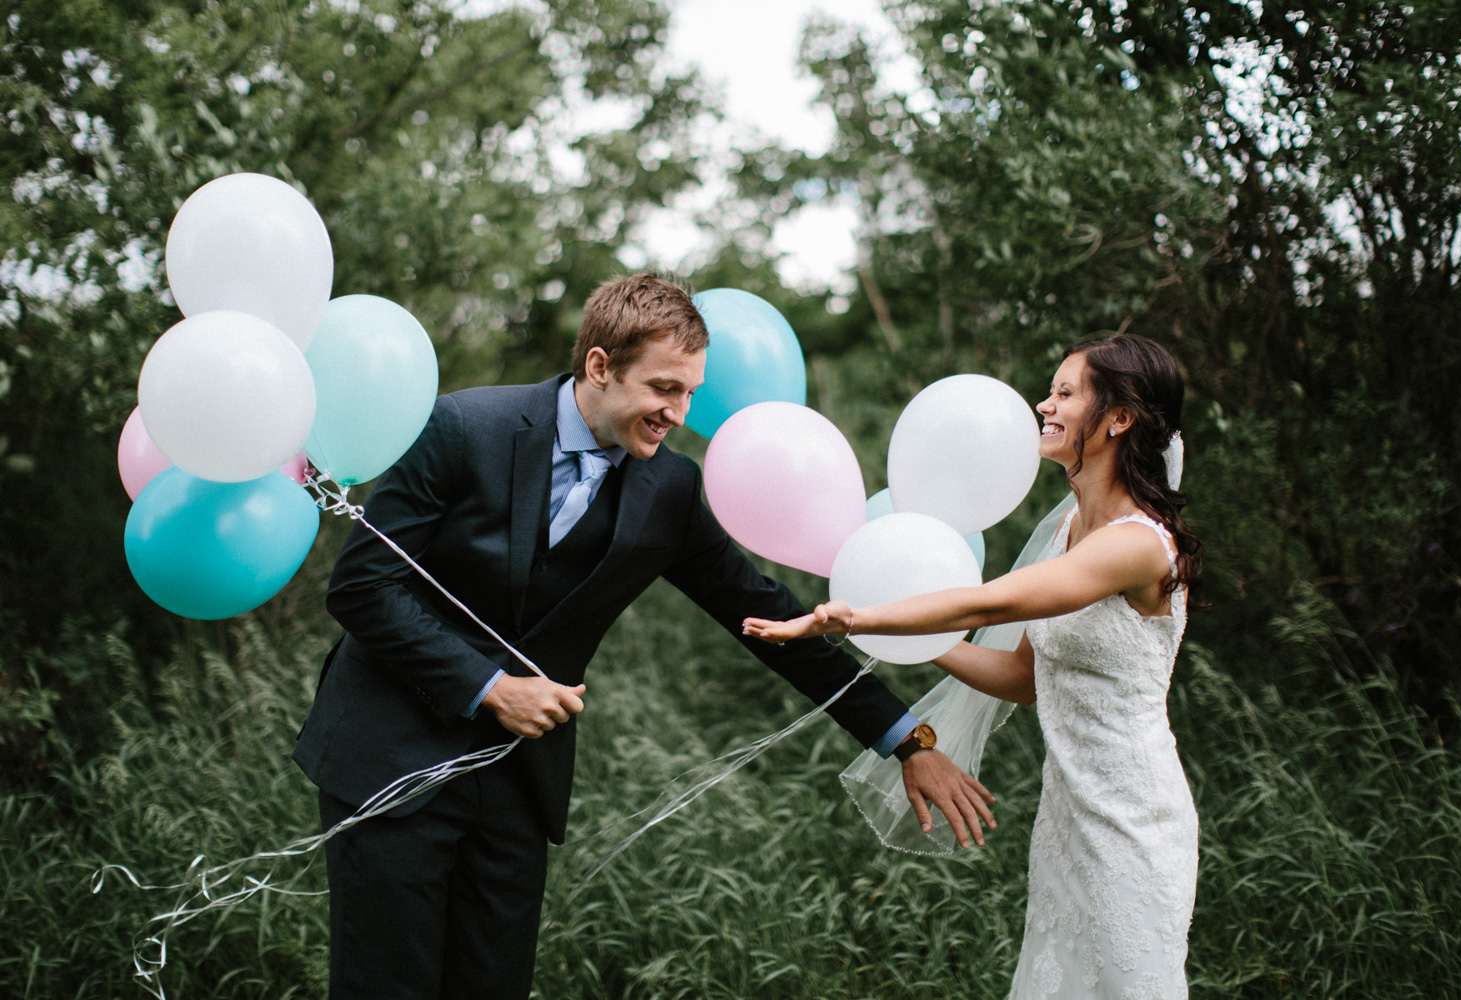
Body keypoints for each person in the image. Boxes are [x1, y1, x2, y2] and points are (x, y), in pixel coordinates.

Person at [293, 272, 996, 1000]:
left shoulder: (669, 490)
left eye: (689, 393)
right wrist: (491, 687)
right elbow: (363, 586)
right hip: (387, 754)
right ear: (599, 366)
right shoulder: (462, 429)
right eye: (664, 389)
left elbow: (764, 614)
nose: (678, 413)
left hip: (515, 786)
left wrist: (905, 738)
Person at [744, 333, 1204, 998]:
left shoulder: (1137, 544)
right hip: (1068, 814)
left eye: (1066, 393)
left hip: (1134, 818)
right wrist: (914, 640)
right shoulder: (1069, 529)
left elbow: (996, 600)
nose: (1043, 405)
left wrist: (852, 616)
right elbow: (1021, 678)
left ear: (1119, 418)